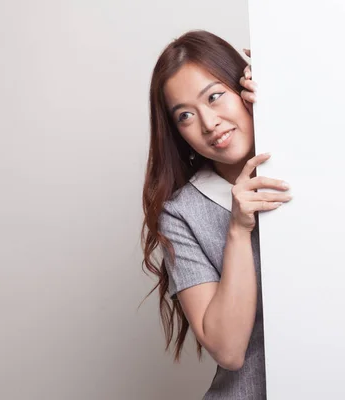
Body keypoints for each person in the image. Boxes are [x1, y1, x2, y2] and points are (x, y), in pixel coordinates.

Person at [141, 30, 291, 399]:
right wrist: (238, 230)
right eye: (186, 115)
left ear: (244, 87)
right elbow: (228, 350)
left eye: (215, 96)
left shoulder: (315, 161)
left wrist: (295, 89)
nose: (209, 123)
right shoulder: (181, 214)